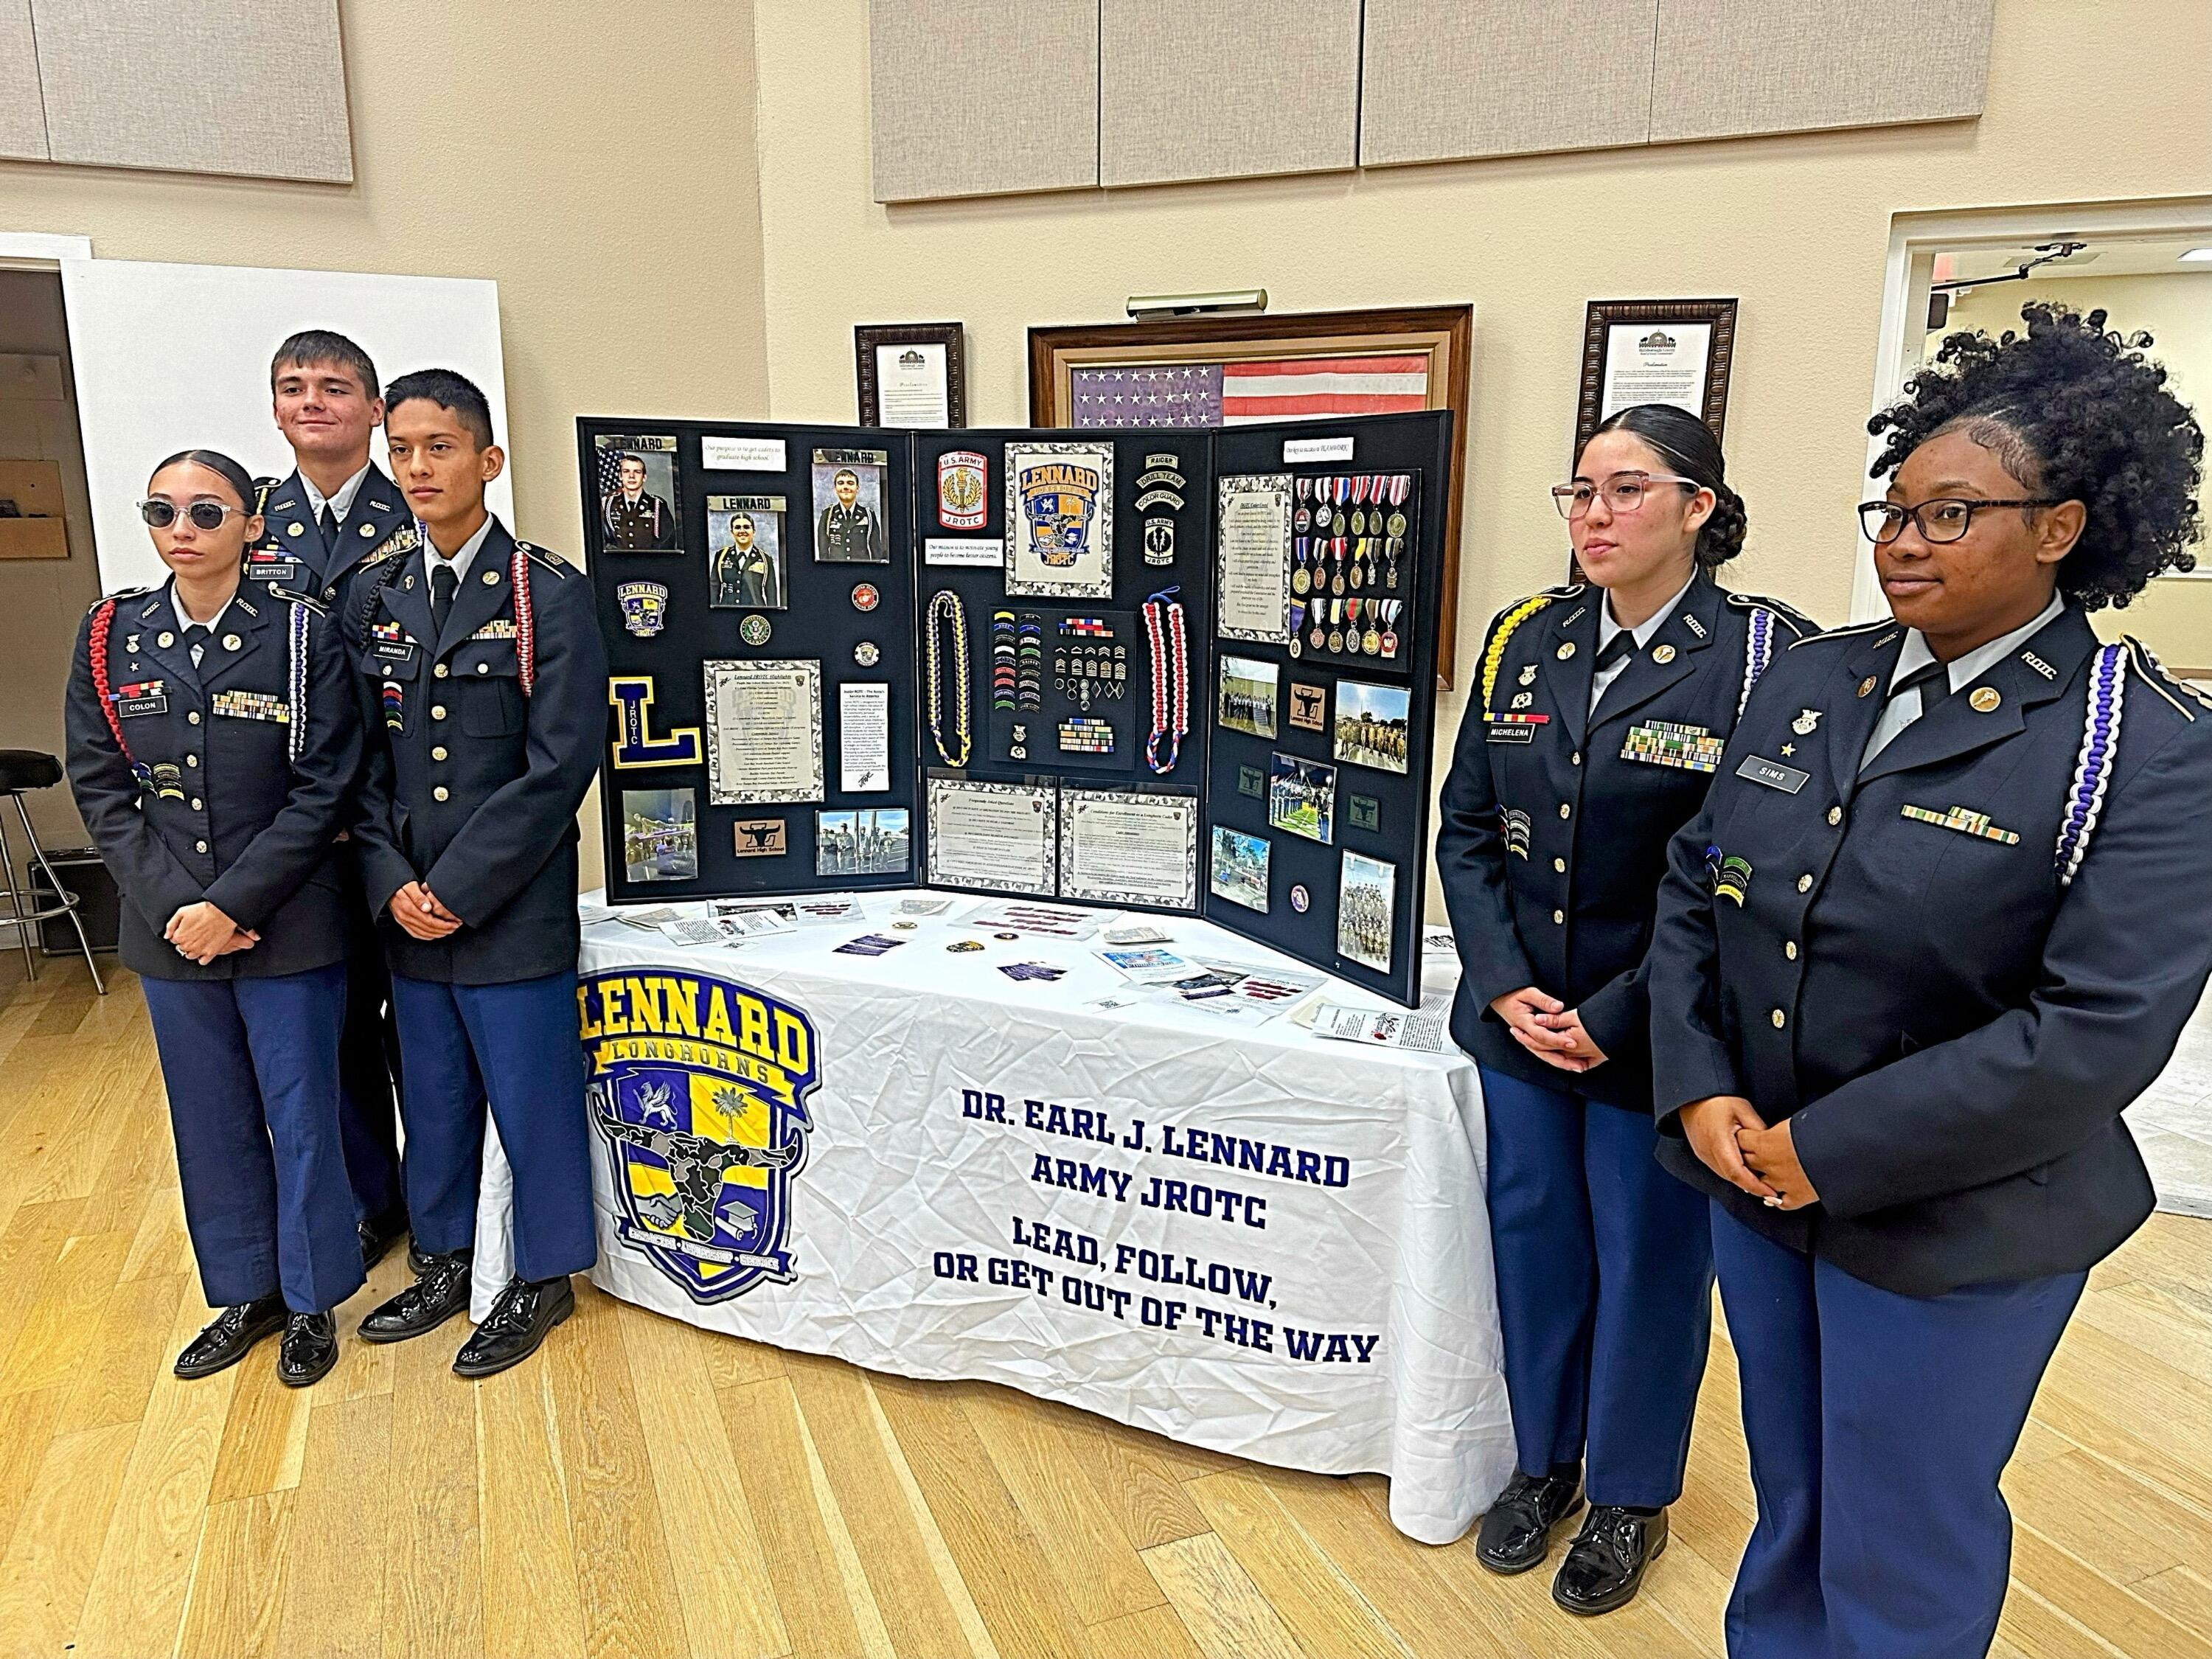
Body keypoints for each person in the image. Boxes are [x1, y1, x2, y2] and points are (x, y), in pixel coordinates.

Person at [1646, 304, 2211, 1659]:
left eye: (1949, 515)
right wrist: (1701, 1087)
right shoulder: (1812, 685)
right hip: (1758, 1192)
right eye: (1891, 511)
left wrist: (1823, 1151)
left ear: (2062, 528)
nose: (1902, 543)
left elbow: (2094, 1033)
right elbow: (1693, 890)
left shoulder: (2145, 746)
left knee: (1904, 1535)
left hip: (1957, 1224)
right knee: (1793, 1510)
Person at [1436, 404, 1814, 1615]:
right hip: (1519, 1026)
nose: (1595, 516)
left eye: (1628, 491)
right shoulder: (1521, 642)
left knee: (1651, 1261)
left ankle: (1631, 1495)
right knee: (1535, 1247)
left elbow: (1736, 875)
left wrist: (1614, 1010)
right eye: (1581, 492)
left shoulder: (1765, 660)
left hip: (1662, 1036)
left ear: (1700, 507)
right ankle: (1545, 1462)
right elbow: (1468, 832)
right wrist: (1503, 984)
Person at [64, 448, 364, 1385]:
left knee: (304, 1114)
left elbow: (325, 789)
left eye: (205, 512)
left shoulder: (304, 633)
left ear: (252, 526)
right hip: (170, 933)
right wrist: (176, 909)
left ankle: (313, 1299)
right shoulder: (113, 634)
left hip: (288, 923)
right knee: (209, 1118)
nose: (182, 531)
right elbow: (103, 787)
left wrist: (231, 904)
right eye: (163, 512)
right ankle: (247, 1290)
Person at [345, 369, 608, 1377]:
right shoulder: (375, 591)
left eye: (440, 448)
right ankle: (447, 1256)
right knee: (437, 1092)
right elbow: (358, 763)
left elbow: (557, 768)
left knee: (531, 1092)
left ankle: (540, 1276)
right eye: (402, 449)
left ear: (488, 461)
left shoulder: (549, 591)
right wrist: (392, 881)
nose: (418, 467)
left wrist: (459, 885)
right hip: (407, 904)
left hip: (508, 904)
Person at [249, 328, 411, 1270]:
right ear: (274, 408)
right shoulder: (251, 521)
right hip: (296, 829)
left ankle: (448, 1199)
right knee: (336, 1029)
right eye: (294, 387)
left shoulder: (425, 507)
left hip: (397, 814)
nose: (314, 402)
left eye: (337, 387)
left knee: (422, 1025)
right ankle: (369, 1197)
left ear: (375, 408)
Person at [601, 453, 678, 549]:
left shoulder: (657, 505)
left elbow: (667, 542)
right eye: (626, 471)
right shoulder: (609, 505)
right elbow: (605, 541)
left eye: (637, 472)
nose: (631, 476)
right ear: (620, 476)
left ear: (644, 477)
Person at [714, 512, 782, 607]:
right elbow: (714, 590)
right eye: (737, 527)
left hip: (754, 615)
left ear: (753, 531)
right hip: (727, 614)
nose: (742, 531)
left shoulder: (765, 559)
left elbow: (771, 595)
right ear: (732, 532)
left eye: (746, 527)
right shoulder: (721, 556)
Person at [816, 466, 882, 561]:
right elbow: (823, 553)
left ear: (857, 488)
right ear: (835, 488)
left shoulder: (868, 515)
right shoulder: (827, 516)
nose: (845, 487)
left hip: (862, 573)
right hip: (836, 572)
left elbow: (876, 551)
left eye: (850, 483)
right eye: (841, 483)